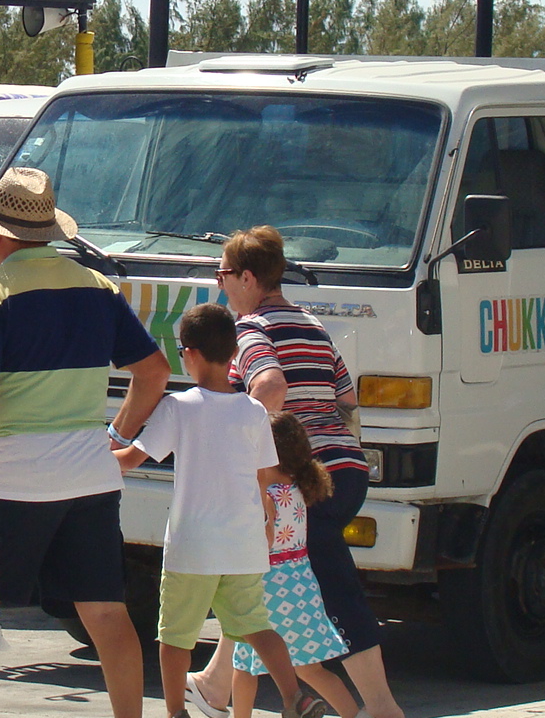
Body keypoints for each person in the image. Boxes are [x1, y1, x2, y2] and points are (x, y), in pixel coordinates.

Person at [0, 167, 170, 718]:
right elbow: (154, 372)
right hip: (90, 478)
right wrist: (116, 436)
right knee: (106, 613)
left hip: (11, 480)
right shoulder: (99, 288)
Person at [190, 225, 404, 718]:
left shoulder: (249, 329)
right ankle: (215, 685)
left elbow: (269, 388)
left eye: (222, 274)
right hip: (343, 471)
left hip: (302, 477)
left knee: (318, 586)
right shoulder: (312, 323)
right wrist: (334, 452)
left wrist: (254, 457)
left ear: (246, 277)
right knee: (268, 576)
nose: (219, 284)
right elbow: (347, 402)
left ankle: (379, 709)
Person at [115, 303, 316, 718]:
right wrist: (267, 524)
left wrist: (85, 454)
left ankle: (176, 712)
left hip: (194, 547)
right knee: (256, 627)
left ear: (188, 353)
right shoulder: (255, 411)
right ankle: (295, 695)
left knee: (175, 638)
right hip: (244, 543)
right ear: (234, 353)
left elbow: (132, 459)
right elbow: (262, 478)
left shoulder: (179, 407)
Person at [228, 413, 348, 718]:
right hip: (299, 585)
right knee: (312, 669)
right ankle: (354, 713)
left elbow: (260, 544)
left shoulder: (264, 495)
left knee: (245, 665)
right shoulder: (296, 489)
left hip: (264, 589)